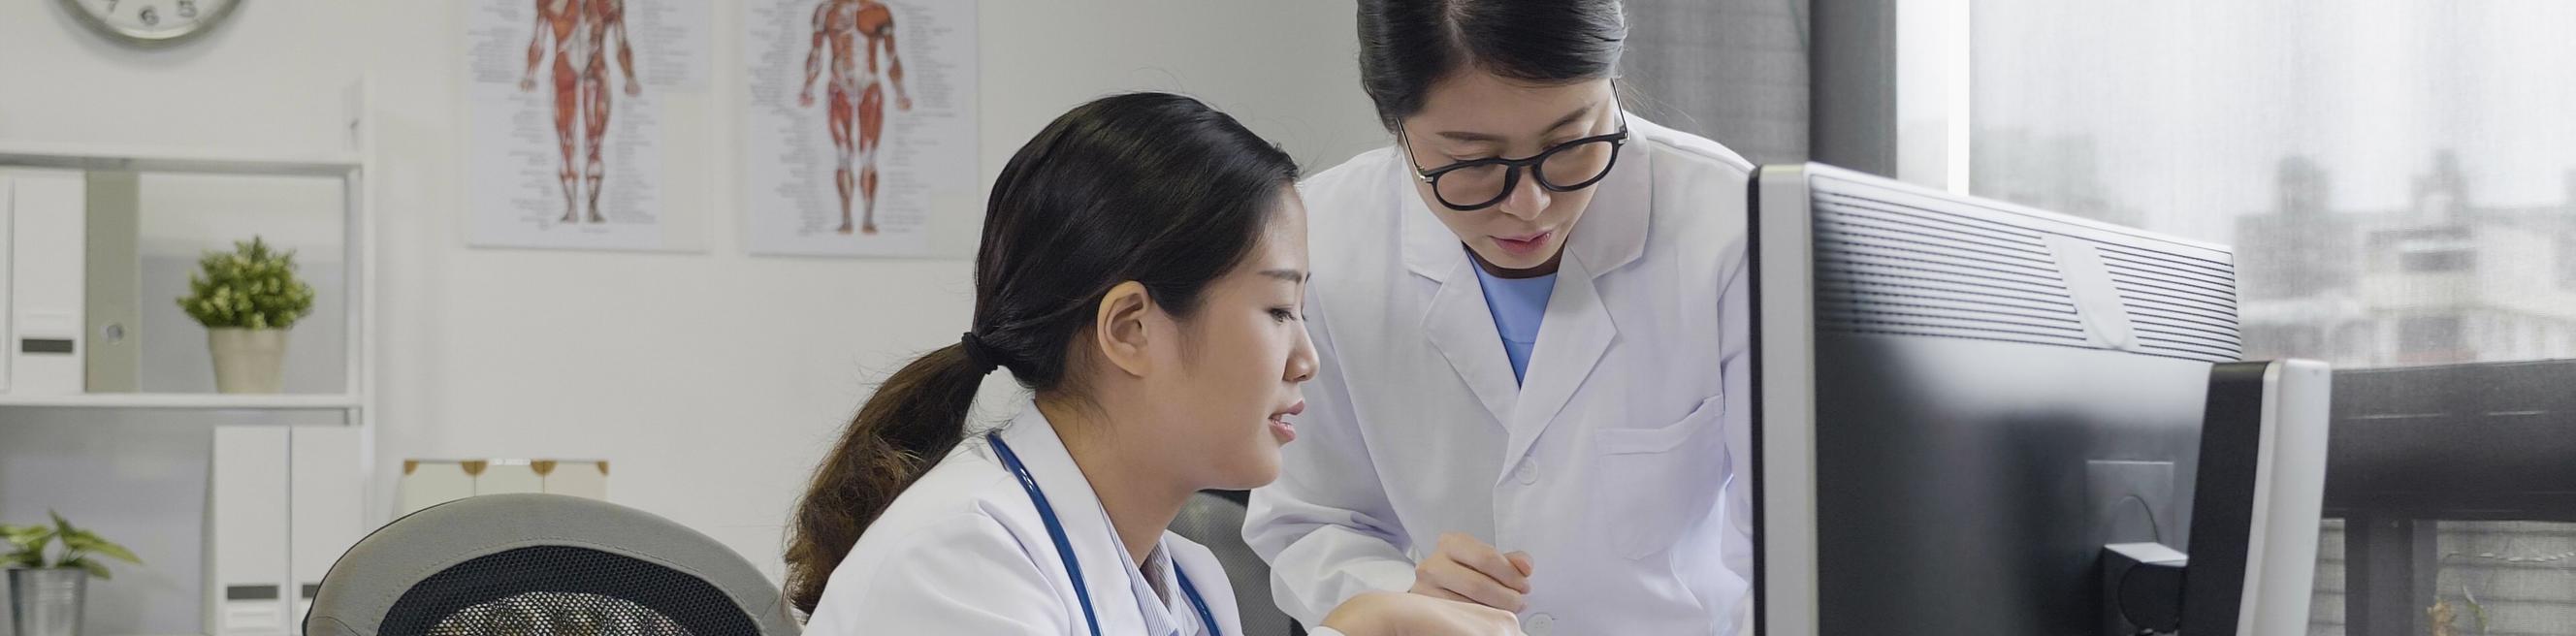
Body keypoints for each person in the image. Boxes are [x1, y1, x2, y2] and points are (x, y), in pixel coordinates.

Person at [786, 92, 1523, 636]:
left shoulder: (1193, 584)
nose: (1307, 360)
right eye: (1277, 311)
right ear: (1131, 327)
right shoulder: (958, 564)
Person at [1244, 1, 1757, 633]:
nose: (1531, 205)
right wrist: (1401, 597)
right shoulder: (1323, 241)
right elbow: (1306, 518)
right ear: (1395, 123)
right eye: (1475, 164)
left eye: (1571, 144)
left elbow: (1791, 554)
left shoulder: (1732, 228)